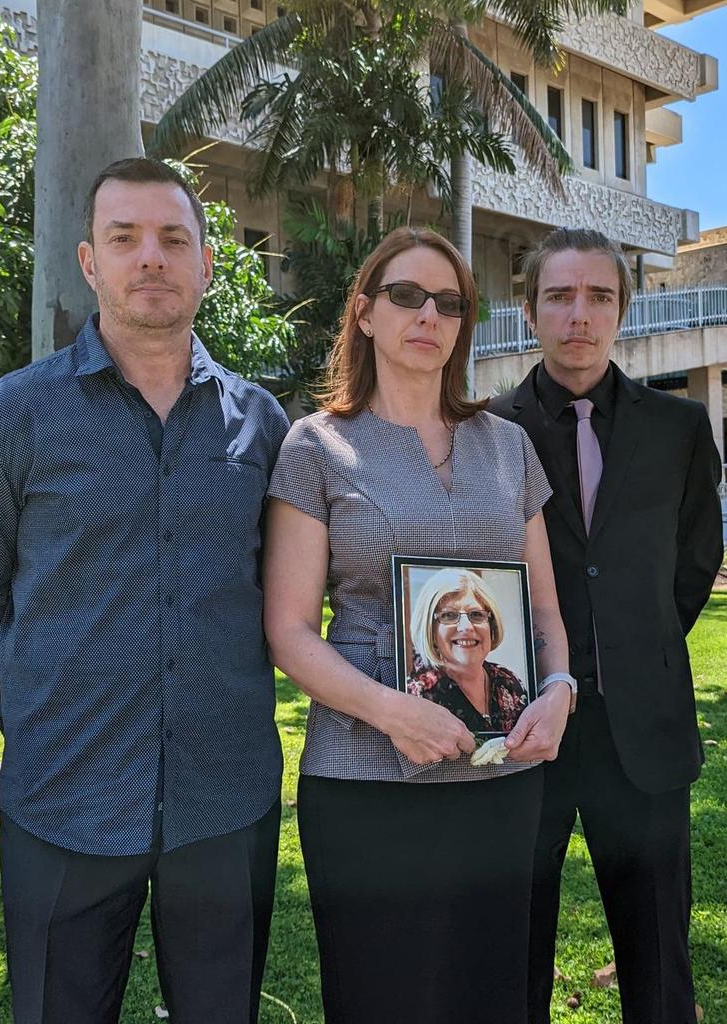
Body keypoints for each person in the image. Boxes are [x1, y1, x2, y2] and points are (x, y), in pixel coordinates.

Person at [0, 158, 288, 1024]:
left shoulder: (264, 426)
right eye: (125, 238)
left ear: (207, 264)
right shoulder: (10, 419)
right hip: (63, 798)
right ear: (89, 261)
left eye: (174, 239)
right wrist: (43, 707)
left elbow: (285, 594)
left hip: (225, 797)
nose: (151, 257)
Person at [262, 226, 576, 1024]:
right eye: (407, 295)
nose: (428, 315)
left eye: (450, 303)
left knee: (491, 992)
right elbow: (290, 629)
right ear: (364, 312)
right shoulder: (317, 446)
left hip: (501, 781)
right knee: (382, 996)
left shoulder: (508, 447)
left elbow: (543, 606)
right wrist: (392, 712)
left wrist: (561, 687)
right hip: (367, 780)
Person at [487, 227, 724, 1024]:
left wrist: (637, 647)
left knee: (659, 968)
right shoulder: (485, 430)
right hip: (524, 732)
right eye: (559, 296)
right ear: (529, 311)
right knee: (512, 957)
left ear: (624, 308)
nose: (578, 315)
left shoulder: (680, 429)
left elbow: (693, 564)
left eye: (598, 297)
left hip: (644, 732)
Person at [406, 566, 527, 733]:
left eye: (476, 615)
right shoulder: (416, 693)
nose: (466, 627)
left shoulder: (508, 681)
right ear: (431, 631)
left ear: (491, 627)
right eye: (449, 615)